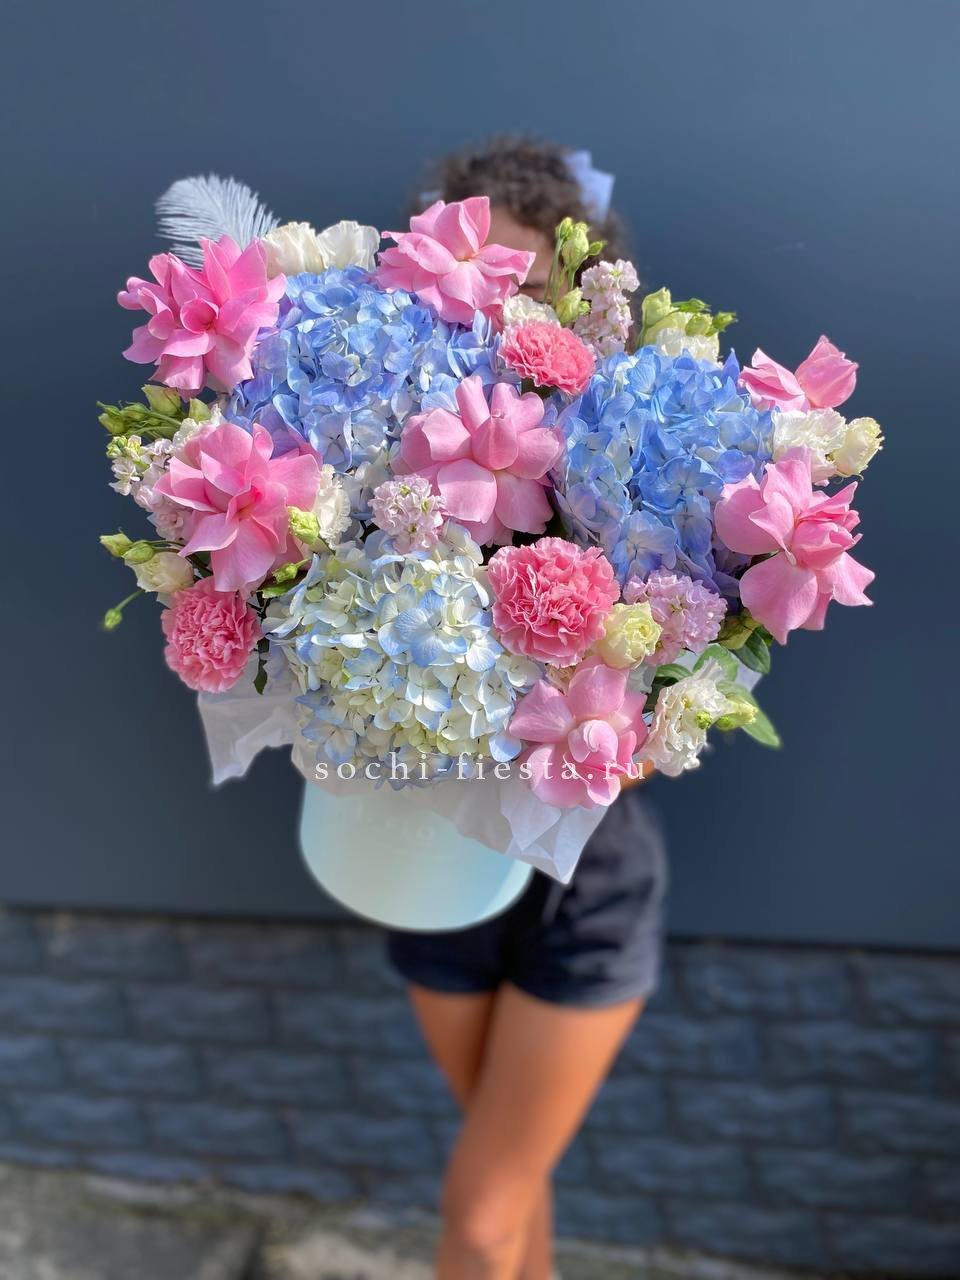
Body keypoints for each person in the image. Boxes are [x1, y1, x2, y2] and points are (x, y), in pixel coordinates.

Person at [386, 137, 668, 1280]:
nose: (490, 299)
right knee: (510, 1193)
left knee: (478, 1213)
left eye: (521, 277)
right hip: (431, 864)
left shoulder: (629, 461)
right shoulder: (381, 459)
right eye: (466, 268)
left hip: (583, 884)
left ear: (573, 293)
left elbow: (649, 732)